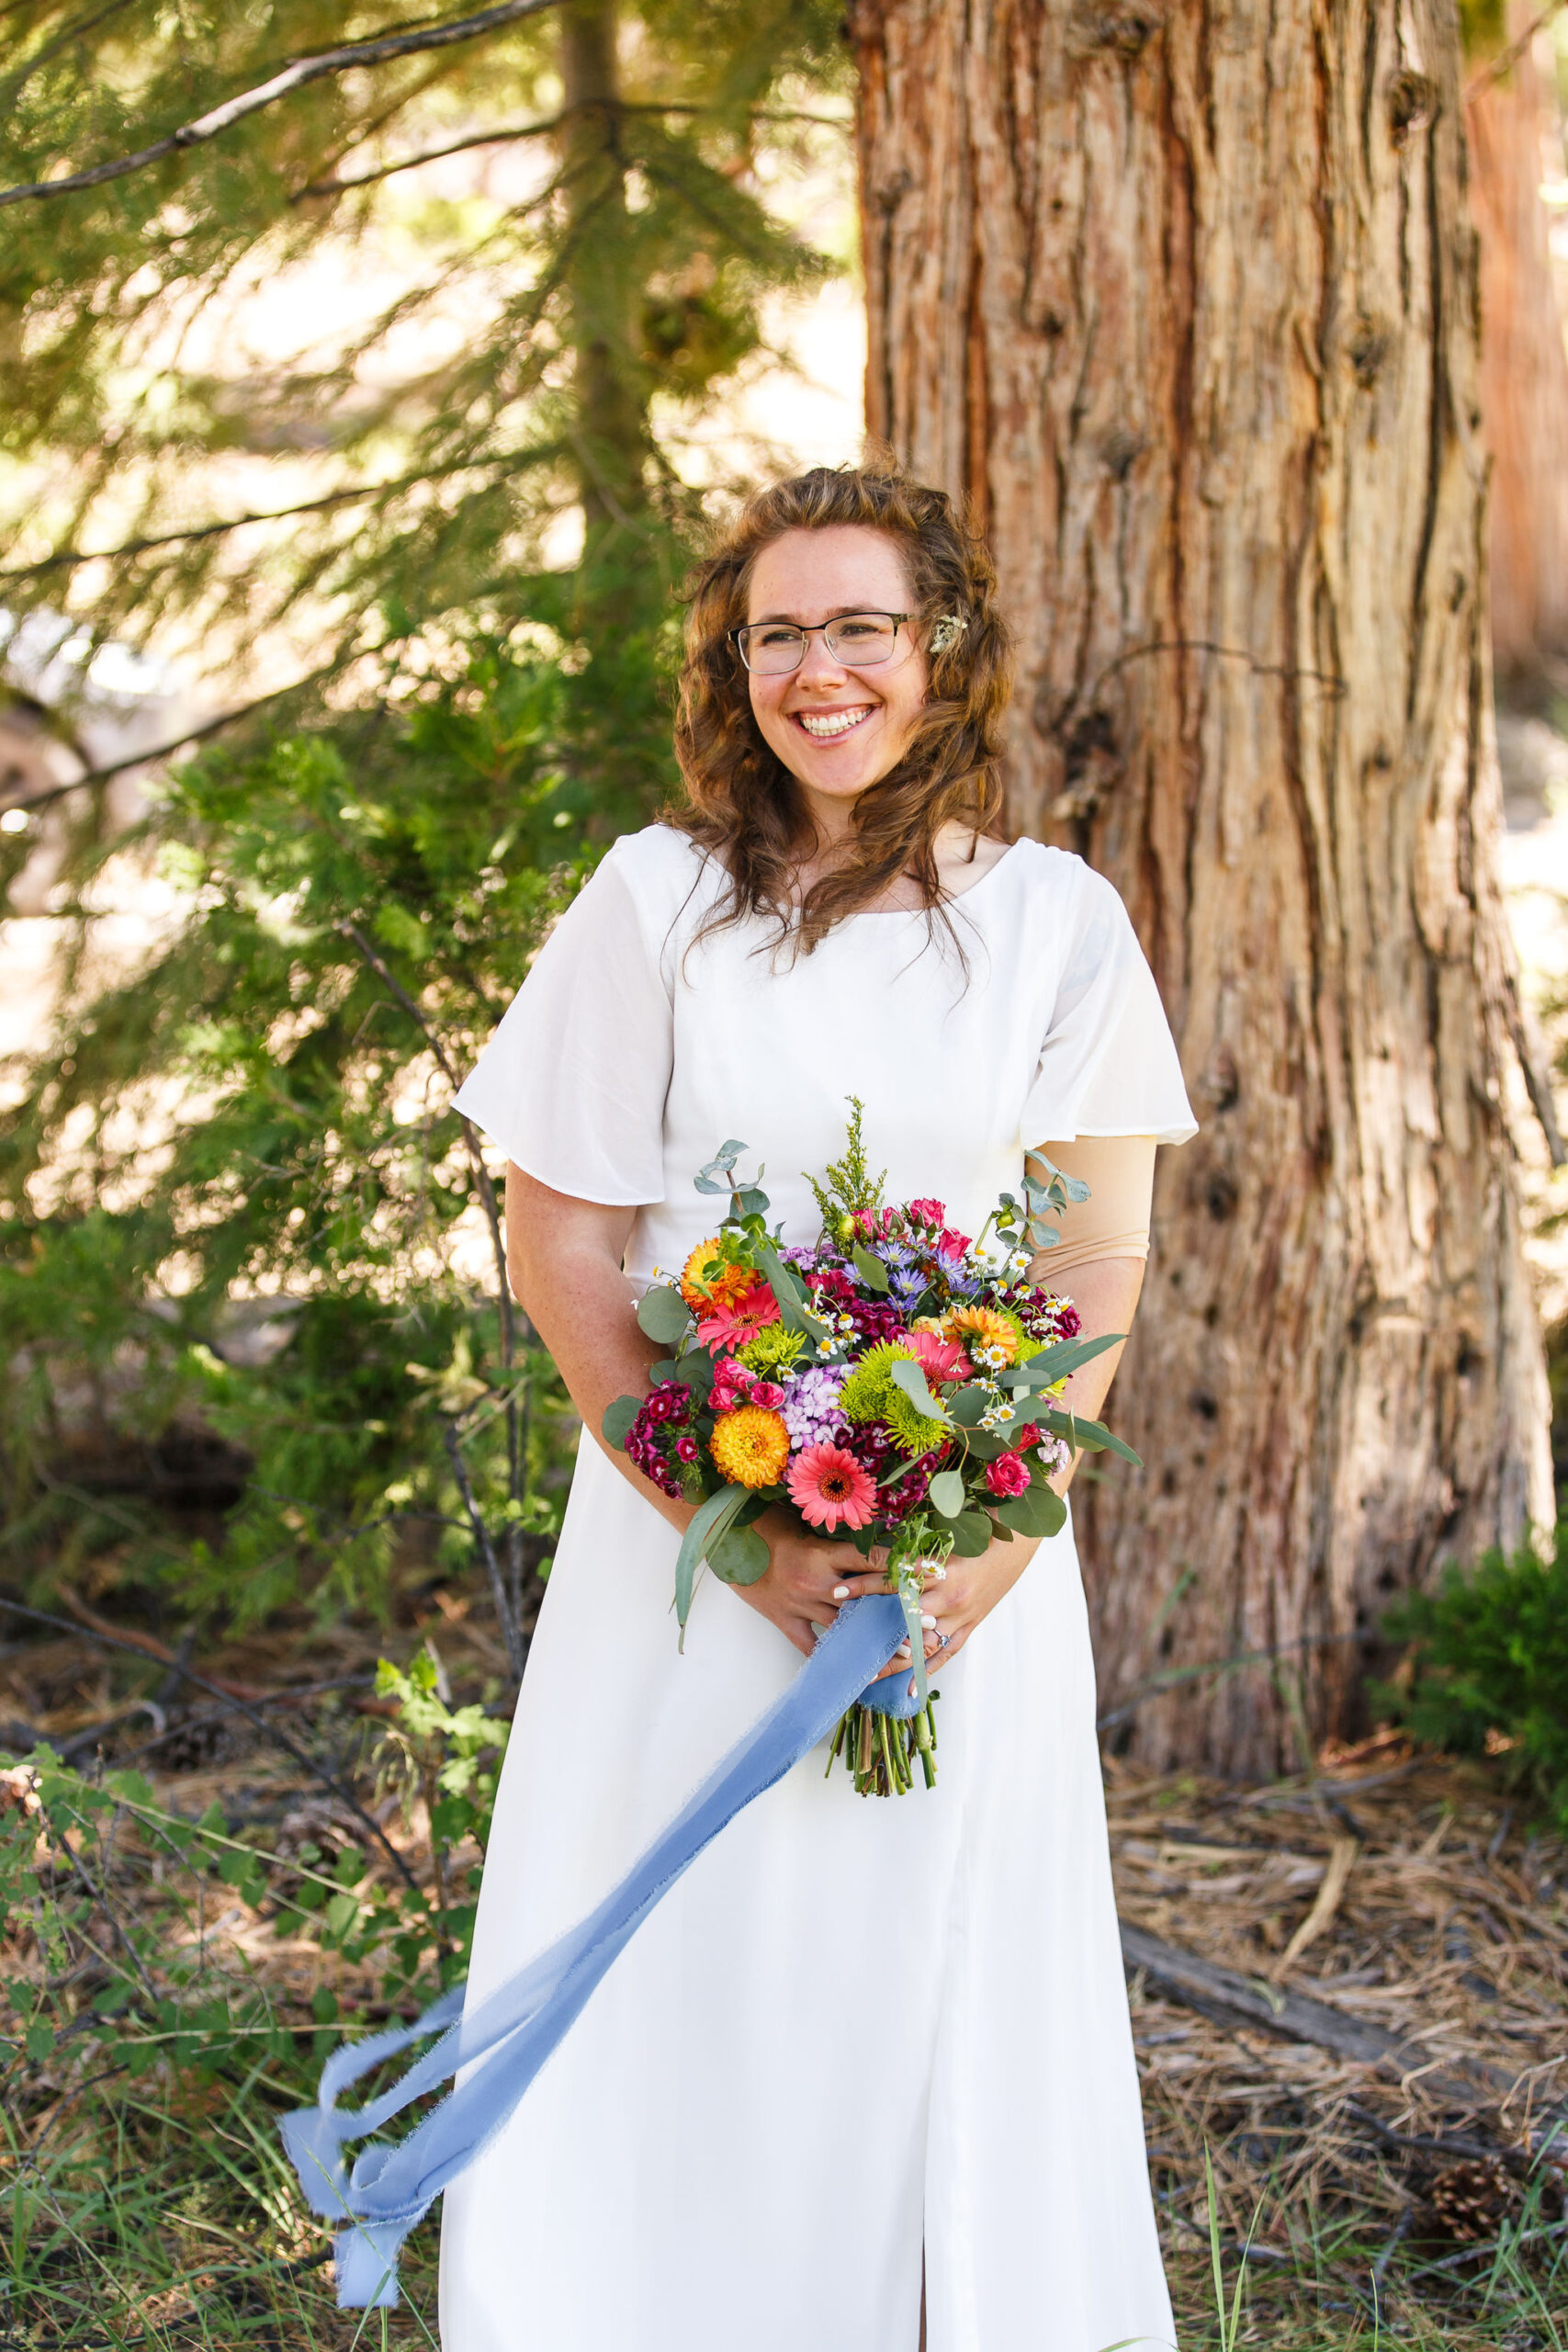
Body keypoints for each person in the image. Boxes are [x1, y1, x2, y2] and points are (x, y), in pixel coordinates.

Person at [442, 458, 1196, 2351]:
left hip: (967, 1562)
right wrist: (737, 1518)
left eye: (860, 624)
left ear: (942, 650)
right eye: (777, 632)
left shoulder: (1052, 919)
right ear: (736, 670)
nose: (818, 668)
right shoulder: (656, 900)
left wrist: (994, 1537)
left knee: (927, 1966)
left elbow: (1089, 1253)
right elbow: (569, 1244)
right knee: (711, 1955)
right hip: (693, 1546)